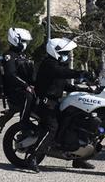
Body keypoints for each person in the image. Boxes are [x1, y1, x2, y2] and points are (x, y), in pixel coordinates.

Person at [33, 37, 97, 169]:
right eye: (64, 53)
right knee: (52, 127)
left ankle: (78, 159)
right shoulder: (49, 64)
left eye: (67, 53)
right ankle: (33, 157)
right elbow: (62, 73)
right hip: (45, 103)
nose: (66, 56)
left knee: (77, 121)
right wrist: (81, 73)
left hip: (55, 102)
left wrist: (81, 89)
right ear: (55, 51)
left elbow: (64, 85)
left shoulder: (59, 65)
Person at [0, 27, 36, 121]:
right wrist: (26, 86)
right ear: (16, 40)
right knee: (28, 96)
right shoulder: (9, 55)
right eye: (23, 41)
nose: (25, 44)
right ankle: (24, 121)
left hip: (24, 86)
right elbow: (11, 74)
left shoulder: (22, 55)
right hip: (15, 89)